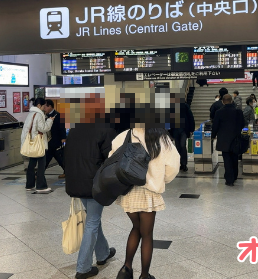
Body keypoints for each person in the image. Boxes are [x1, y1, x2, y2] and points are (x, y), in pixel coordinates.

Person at [112, 113, 180, 279]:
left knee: (136, 228)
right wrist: (161, 179)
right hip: (149, 193)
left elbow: (112, 161)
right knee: (147, 234)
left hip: (128, 191)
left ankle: (126, 269)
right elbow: (173, 166)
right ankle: (144, 275)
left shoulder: (123, 136)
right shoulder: (161, 138)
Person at [65, 93, 118, 279]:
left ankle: (103, 253)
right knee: (93, 222)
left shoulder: (75, 128)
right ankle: (83, 268)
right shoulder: (105, 129)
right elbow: (111, 159)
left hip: (76, 180)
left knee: (93, 218)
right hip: (95, 183)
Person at [21, 97, 53, 193]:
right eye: (43, 106)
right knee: (41, 165)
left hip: (32, 143)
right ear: (39, 105)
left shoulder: (30, 114)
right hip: (39, 144)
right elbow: (43, 128)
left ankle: (29, 185)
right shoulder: (38, 114)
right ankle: (41, 186)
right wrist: (50, 120)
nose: (44, 108)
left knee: (31, 164)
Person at [212, 94, 245, 186]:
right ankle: (235, 175)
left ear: (223, 101)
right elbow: (242, 124)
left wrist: (213, 135)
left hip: (224, 140)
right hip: (235, 139)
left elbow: (215, 126)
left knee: (227, 159)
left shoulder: (219, 112)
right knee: (234, 158)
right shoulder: (238, 112)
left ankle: (229, 179)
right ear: (232, 101)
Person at [169, 94, 196, 172]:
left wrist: (191, 129)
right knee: (178, 146)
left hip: (183, 130)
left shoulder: (185, 106)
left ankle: (184, 164)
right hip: (175, 129)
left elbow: (190, 117)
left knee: (182, 145)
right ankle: (179, 163)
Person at [44, 99, 66, 179]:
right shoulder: (45, 116)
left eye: (45, 107)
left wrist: (63, 138)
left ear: (50, 106)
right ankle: (39, 173)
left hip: (56, 141)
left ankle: (67, 172)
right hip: (49, 141)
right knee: (47, 158)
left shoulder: (58, 115)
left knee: (60, 158)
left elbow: (62, 127)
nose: (44, 108)